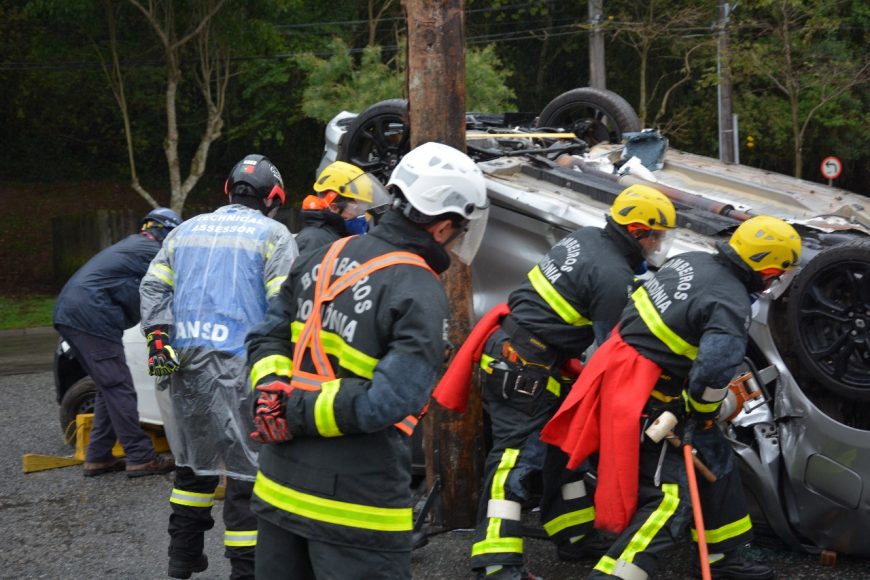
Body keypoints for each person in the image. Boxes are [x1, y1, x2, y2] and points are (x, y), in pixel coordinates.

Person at [244, 142, 489, 580]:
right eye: (460, 229)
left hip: (280, 490)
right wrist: (294, 409)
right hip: (354, 509)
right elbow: (389, 401)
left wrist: (273, 393)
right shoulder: (418, 287)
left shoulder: (322, 256)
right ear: (441, 227)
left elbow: (266, 338)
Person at [541, 216, 802, 580]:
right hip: (650, 400)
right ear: (770, 270)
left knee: (717, 461)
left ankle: (722, 558)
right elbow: (714, 371)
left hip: (619, 374)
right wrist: (702, 413)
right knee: (671, 499)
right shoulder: (730, 303)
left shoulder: (689, 261)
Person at [463, 185, 677, 580]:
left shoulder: (587, 238)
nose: (658, 245)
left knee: (565, 449)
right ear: (636, 231)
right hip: (525, 365)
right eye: (656, 236)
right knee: (513, 463)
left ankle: (574, 535)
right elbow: (615, 349)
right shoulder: (613, 274)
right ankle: (495, 563)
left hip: (521, 354)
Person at [139, 154, 298, 580]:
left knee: (195, 462)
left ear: (228, 190)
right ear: (273, 198)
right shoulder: (275, 235)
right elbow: (284, 304)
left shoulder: (185, 230)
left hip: (187, 363)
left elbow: (153, 286)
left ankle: (182, 556)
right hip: (245, 365)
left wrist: (158, 338)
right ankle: (246, 570)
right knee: (247, 471)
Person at [53, 207, 181, 478]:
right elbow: (176, 285)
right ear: (169, 233)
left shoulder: (135, 246)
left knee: (108, 388)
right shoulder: (151, 251)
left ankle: (98, 456)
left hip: (76, 315)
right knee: (120, 387)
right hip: (91, 318)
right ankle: (141, 457)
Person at [295, 160, 391, 254]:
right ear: (334, 208)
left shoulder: (337, 236)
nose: (363, 215)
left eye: (364, 208)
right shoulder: (316, 241)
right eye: (357, 208)